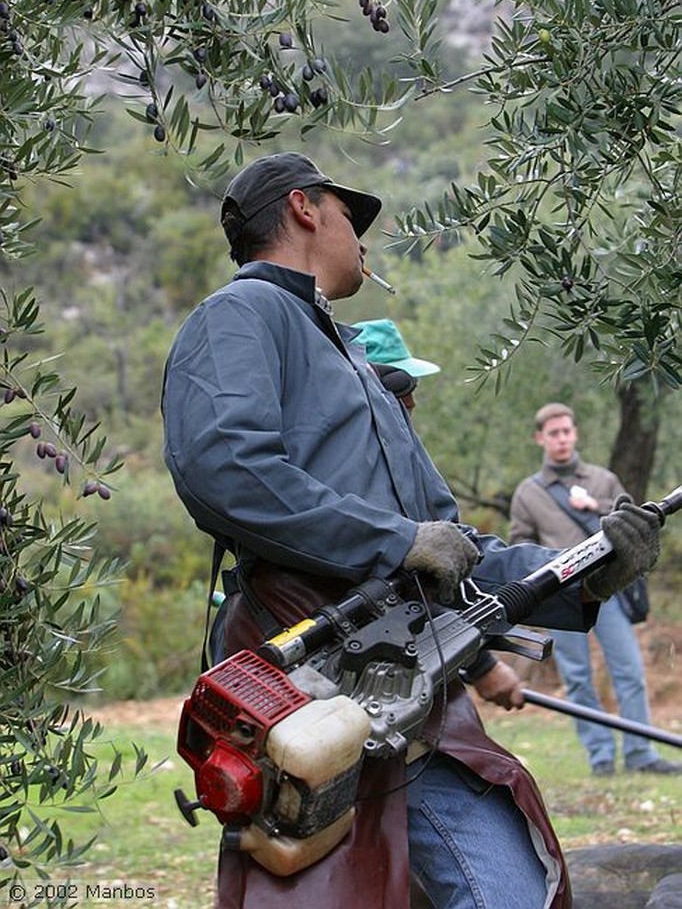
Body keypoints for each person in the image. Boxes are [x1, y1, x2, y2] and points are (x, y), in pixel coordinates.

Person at [161, 152, 663, 909]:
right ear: (304, 209)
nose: (361, 239)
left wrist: (587, 568)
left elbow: (453, 550)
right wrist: (392, 542)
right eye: (347, 216)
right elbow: (227, 469)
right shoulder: (241, 314)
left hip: (417, 696)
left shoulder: (357, 361)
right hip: (313, 687)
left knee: (513, 889)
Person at [353, 316, 526, 714]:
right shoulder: (354, 472)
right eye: (402, 387)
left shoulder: (408, 461)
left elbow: (459, 557)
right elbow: (407, 584)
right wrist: (482, 665)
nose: (412, 401)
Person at [509, 401, 681, 777]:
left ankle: (640, 752)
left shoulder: (603, 480)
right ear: (541, 438)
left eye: (567, 431)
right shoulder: (528, 493)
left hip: (607, 590)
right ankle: (601, 757)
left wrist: (595, 505)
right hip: (560, 596)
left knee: (629, 670)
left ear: (576, 433)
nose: (561, 439)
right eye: (553, 433)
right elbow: (518, 544)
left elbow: (634, 524)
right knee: (578, 678)